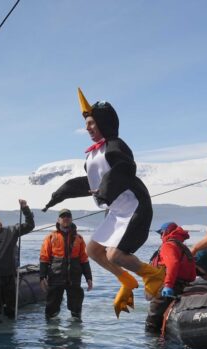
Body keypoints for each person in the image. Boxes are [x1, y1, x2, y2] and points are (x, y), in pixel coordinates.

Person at [41, 89, 164, 317]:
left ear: (103, 123)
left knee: (115, 255)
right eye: (86, 124)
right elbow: (86, 184)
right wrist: (59, 195)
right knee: (93, 251)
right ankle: (127, 280)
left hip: (134, 205)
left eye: (91, 123)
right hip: (116, 211)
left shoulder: (115, 145)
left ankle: (152, 274)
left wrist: (107, 189)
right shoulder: (91, 156)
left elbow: (126, 168)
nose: (87, 128)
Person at [39, 209, 93, 321]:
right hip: (56, 276)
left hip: (74, 277)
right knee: (51, 308)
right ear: (58, 220)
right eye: (63, 216)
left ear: (71, 219)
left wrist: (89, 278)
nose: (66, 218)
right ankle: (51, 331)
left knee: (76, 308)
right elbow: (44, 258)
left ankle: (75, 330)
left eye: (68, 216)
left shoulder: (79, 238)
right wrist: (42, 277)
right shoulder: (50, 237)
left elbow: (84, 259)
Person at [145, 222, 197, 333]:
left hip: (169, 287)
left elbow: (173, 263)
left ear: (167, 232)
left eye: (161, 233)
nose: (160, 236)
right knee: (165, 318)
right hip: (182, 286)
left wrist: (168, 285)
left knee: (153, 320)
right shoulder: (182, 246)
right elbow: (192, 272)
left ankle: (151, 344)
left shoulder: (168, 245)